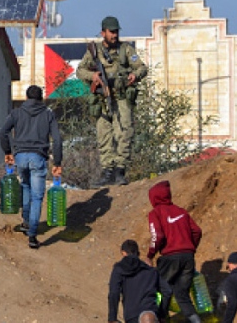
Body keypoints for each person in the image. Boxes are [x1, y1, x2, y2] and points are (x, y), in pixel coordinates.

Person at [76, 16, 147, 187]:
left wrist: (134, 75)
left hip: (121, 96)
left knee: (125, 131)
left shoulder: (126, 50)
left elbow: (142, 68)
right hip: (102, 98)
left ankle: (120, 171)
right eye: (111, 32)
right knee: (104, 135)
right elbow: (80, 70)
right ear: (103, 33)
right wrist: (92, 76)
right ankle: (108, 171)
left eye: (116, 31)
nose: (114, 35)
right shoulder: (95, 52)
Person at [0, 85, 63, 249]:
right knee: (37, 197)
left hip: (20, 157)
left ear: (26, 98)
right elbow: (57, 139)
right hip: (38, 158)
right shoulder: (48, 114)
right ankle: (32, 235)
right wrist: (58, 163)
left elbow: (2, 132)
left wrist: (8, 151)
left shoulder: (16, 113)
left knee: (25, 186)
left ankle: (26, 222)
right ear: (41, 98)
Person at [146, 180, 203, 323]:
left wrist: (150, 255)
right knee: (182, 294)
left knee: (162, 289)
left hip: (170, 258)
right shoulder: (182, 211)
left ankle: (160, 318)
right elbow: (197, 231)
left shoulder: (156, 213)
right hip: (188, 257)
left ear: (154, 198)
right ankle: (196, 321)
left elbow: (157, 235)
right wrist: (190, 247)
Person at [109, 239, 172, 323]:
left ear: (123, 253)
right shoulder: (151, 271)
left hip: (132, 315)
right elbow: (167, 291)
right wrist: (162, 314)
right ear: (138, 253)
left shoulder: (119, 269)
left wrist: (112, 318)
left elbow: (114, 292)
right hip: (151, 311)